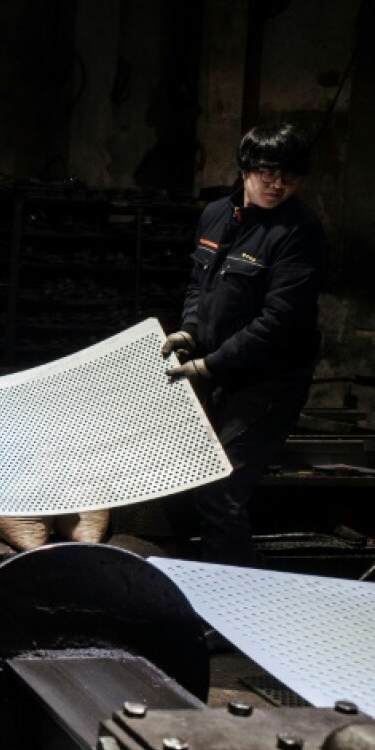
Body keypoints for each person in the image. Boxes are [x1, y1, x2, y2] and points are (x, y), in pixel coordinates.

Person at [163, 122, 325, 567]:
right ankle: (191, 588)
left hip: (268, 383)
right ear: (245, 168)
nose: (277, 184)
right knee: (181, 480)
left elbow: (280, 323)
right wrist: (190, 329)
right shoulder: (216, 214)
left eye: (289, 177)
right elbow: (200, 282)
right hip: (219, 371)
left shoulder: (299, 233)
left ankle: (233, 613)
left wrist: (208, 365)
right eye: (268, 172)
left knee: (219, 490)